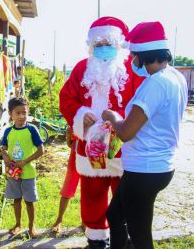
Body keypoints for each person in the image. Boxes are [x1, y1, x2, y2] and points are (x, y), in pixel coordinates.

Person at [59, 16, 144, 249]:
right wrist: (80, 115)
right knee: (92, 195)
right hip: (90, 146)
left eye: (109, 43)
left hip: (122, 147)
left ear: (119, 45)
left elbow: (142, 102)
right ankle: (96, 240)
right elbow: (66, 98)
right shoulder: (80, 69)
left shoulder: (133, 69)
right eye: (98, 44)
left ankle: (124, 238)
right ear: (91, 45)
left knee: (125, 196)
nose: (103, 48)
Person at [102, 21, 188, 249]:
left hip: (145, 170)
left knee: (140, 237)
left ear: (142, 54)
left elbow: (127, 133)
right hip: (155, 167)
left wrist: (112, 116)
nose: (133, 61)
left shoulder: (156, 84)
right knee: (115, 215)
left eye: (134, 55)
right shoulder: (175, 76)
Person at [1, 97, 44, 238]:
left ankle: (31, 226)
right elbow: (4, 148)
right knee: (16, 200)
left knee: (29, 201)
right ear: (11, 114)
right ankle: (18, 224)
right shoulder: (8, 131)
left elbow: (40, 150)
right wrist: (6, 157)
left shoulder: (32, 130)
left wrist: (25, 161)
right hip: (14, 173)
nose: (21, 116)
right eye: (17, 113)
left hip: (28, 173)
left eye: (24, 113)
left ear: (28, 112)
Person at [51, 127, 83, 233]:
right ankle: (59, 220)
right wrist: (68, 136)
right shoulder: (76, 120)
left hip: (90, 162)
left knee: (87, 193)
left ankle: (85, 223)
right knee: (67, 190)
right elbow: (70, 144)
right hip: (74, 161)